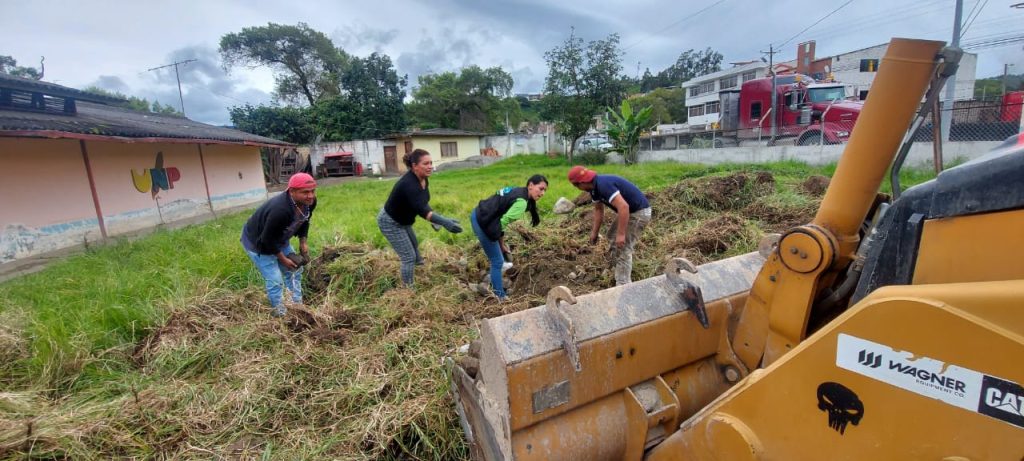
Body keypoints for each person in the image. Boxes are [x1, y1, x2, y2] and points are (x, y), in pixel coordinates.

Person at [378, 149, 463, 287]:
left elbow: (422, 203)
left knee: (414, 246)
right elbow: (421, 210)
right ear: (414, 166)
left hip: (403, 220)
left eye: (431, 163)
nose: (430, 166)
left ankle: (420, 271)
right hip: (390, 222)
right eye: (425, 163)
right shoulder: (409, 185)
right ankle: (408, 290)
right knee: (408, 257)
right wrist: (443, 221)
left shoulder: (423, 179)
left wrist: (436, 220)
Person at [241, 172, 318, 317]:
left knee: (295, 271)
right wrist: (283, 259)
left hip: (279, 237)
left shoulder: (309, 202)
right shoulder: (280, 210)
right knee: (276, 281)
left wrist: (303, 241)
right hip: (258, 243)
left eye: (312, 191)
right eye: (305, 192)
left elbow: (305, 220)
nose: (310, 195)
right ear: (292, 191)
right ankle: (281, 315)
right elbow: (266, 239)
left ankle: (297, 307)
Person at [568, 165, 652, 285]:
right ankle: (619, 266)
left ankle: (623, 285)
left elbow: (623, 206)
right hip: (631, 212)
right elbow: (598, 210)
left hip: (639, 213)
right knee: (612, 235)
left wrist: (621, 234)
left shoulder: (603, 185)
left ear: (581, 182)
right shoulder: (593, 189)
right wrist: (594, 233)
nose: (578, 189)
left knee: (622, 247)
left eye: (576, 186)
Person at [470, 175, 549, 300]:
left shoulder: (519, 191)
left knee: (498, 257)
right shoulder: (522, 203)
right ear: (530, 185)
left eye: (545, 190)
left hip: (480, 214)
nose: (543, 193)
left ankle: (492, 281)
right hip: (482, 222)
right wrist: (500, 242)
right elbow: (501, 224)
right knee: (497, 261)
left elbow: (500, 221)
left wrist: (501, 244)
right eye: (541, 188)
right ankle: (500, 296)